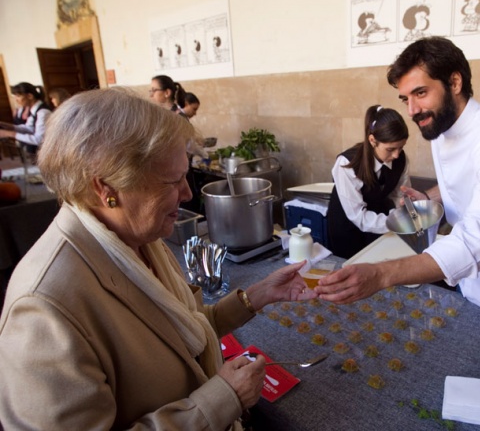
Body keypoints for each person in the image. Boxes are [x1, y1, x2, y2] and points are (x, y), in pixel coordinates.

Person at [0, 88, 317, 430]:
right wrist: (224, 398)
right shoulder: (44, 307)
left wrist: (255, 296)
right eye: (172, 180)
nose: (188, 193)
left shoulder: (138, 239)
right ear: (107, 190)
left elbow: (182, 329)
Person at [317, 37, 480, 318]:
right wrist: (428, 197)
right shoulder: (440, 128)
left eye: (420, 93)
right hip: (469, 282)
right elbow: (463, 184)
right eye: (405, 99)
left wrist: (382, 274)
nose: (412, 110)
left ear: (454, 83)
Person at [327, 105, 410, 259]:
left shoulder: (401, 160)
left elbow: (400, 195)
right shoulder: (346, 163)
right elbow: (358, 217)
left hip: (379, 223)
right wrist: (396, 224)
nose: (397, 155)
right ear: (372, 140)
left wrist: (401, 215)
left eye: (401, 147)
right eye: (391, 149)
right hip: (347, 227)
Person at [0, 82, 51, 157]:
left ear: (30, 96)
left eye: (18, 96)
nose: (16, 100)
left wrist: (9, 134)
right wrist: (8, 126)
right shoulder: (34, 110)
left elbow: (39, 139)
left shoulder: (43, 112)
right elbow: (30, 128)